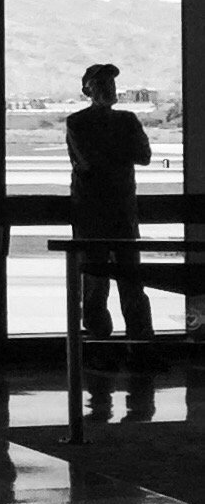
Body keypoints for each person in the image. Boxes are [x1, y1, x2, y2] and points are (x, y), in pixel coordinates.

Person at [66, 61, 155, 348]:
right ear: (87, 91)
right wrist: (120, 150)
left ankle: (139, 345)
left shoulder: (123, 120)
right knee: (96, 284)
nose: (109, 89)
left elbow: (143, 156)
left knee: (129, 283)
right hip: (95, 216)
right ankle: (100, 344)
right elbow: (91, 161)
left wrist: (108, 150)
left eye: (111, 84)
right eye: (101, 84)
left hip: (117, 213)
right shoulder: (80, 123)